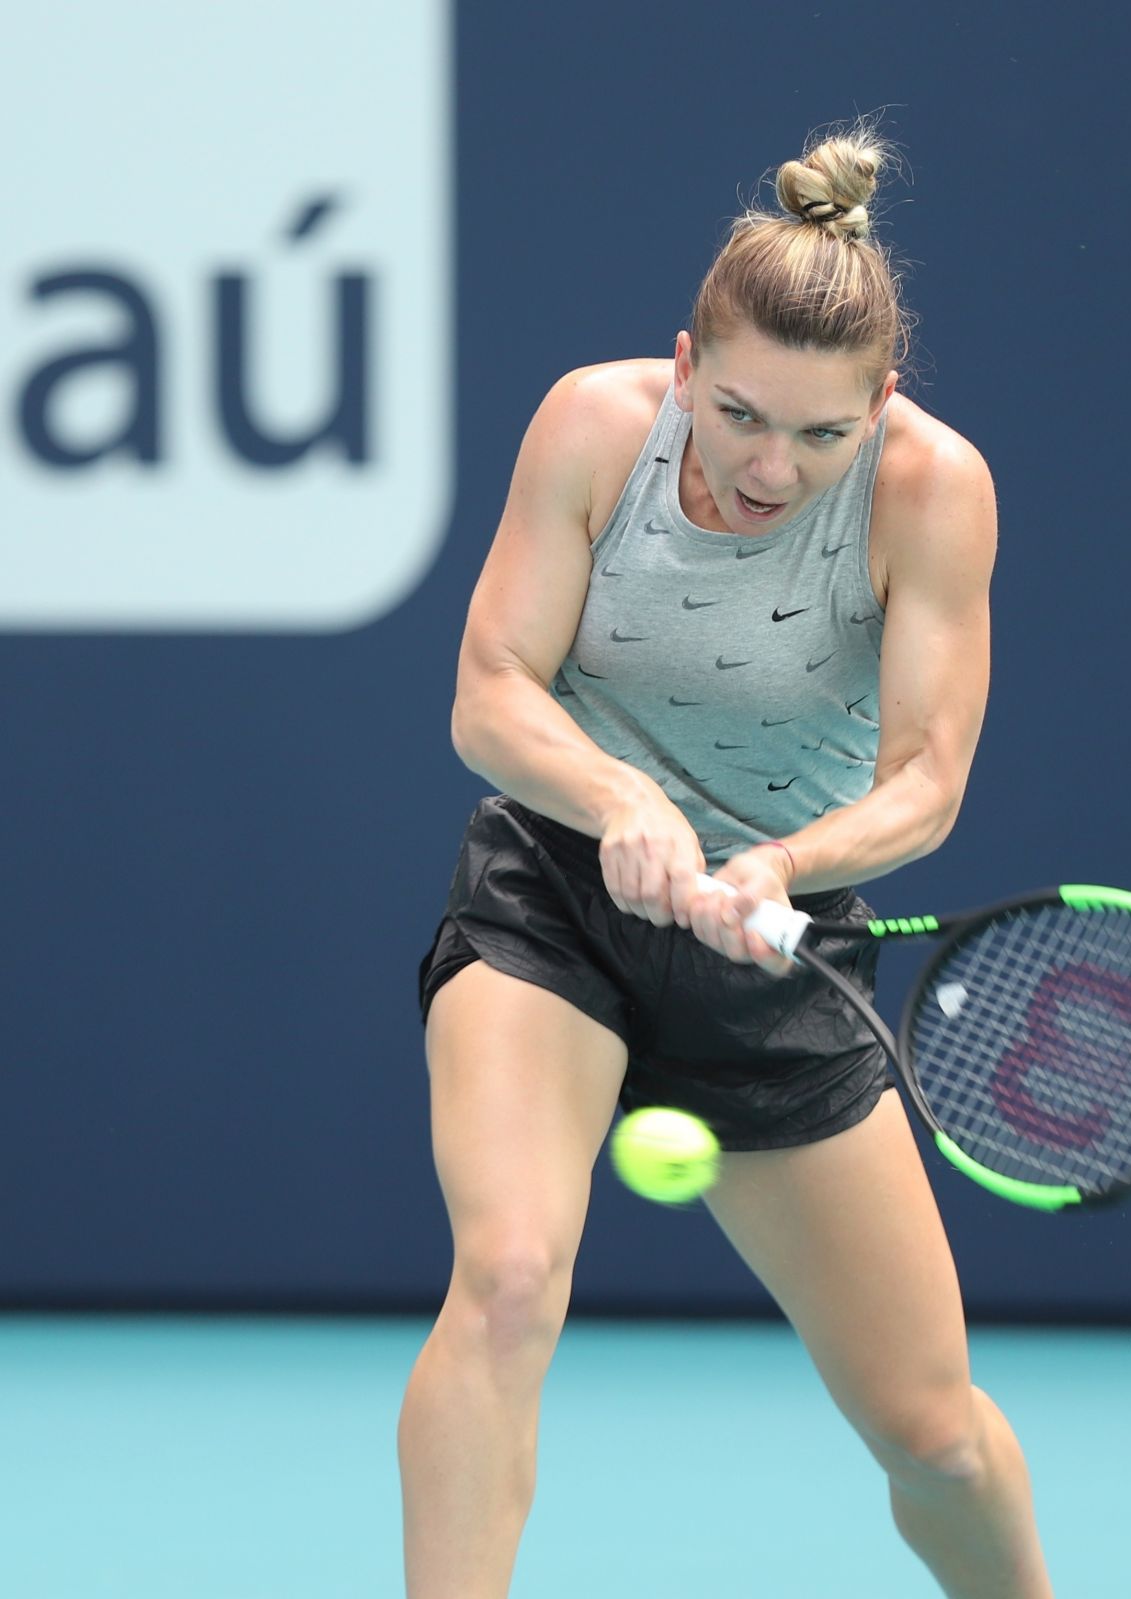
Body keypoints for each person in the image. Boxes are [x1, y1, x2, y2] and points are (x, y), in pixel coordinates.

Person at [400, 122, 1054, 1599]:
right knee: (506, 1282)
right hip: (551, 907)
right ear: (685, 360)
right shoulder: (591, 426)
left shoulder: (935, 490)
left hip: (776, 946)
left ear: (881, 404)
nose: (774, 466)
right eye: (743, 414)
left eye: (825, 434)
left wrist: (783, 866)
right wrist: (618, 798)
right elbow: (492, 693)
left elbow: (930, 782)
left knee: (934, 1437)